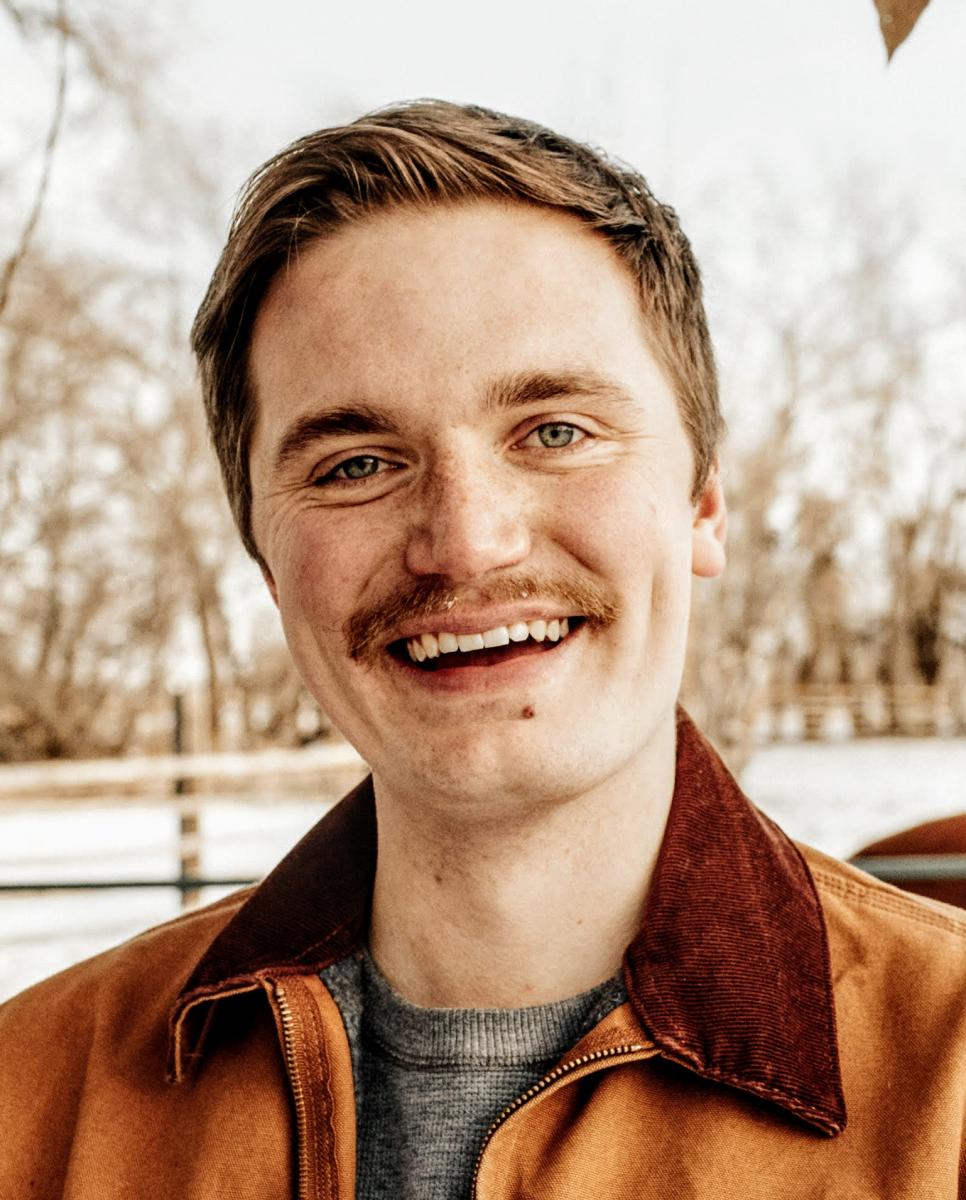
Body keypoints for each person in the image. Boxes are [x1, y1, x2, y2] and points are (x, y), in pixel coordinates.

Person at [1, 100, 964, 1199]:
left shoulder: (950, 1089)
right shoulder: (30, 1109)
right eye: (357, 464)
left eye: (555, 432)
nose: (464, 541)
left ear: (702, 503)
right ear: (267, 559)